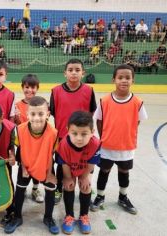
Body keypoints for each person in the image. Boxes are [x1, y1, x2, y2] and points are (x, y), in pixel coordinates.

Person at [90, 64, 148, 215]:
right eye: (120, 77)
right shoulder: (105, 100)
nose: (124, 81)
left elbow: (138, 121)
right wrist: (105, 136)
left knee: (124, 171)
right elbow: (99, 120)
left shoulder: (137, 102)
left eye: (127, 78)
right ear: (113, 80)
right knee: (104, 171)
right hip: (107, 146)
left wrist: (127, 133)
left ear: (133, 81)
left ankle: (123, 197)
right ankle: (100, 196)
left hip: (126, 146)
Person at [4, 96, 59, 235]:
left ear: (47, 114)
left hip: (45, 166)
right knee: (20, 190)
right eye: (33, 114)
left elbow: (51, 154)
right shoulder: (20, 130)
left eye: (41, 114)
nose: (36, 118)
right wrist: (22, 167)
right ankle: (17, 217)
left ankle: (48, 218)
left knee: (50, 190)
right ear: (27, 114)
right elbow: (18, 150)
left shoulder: (53, 133)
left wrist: (50, 173)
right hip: (26, 166)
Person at [50, 59, 97, 205]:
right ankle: (59, 189)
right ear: (65, 73)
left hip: (82, 138)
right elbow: (52, 112)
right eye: (70, 70)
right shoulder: (56, 91)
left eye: (77, 70)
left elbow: (91, 112)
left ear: (83, 73)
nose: (74, 72)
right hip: (63, 138)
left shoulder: (89, 91)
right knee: (61, 165)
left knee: (85, 163)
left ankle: (85, 185)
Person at [58, 111, 100, 234]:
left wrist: (84, 177)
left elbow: (92, 163)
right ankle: (69, 216)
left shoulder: (95, 144)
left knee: (86, 187)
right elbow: (64, 163)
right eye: (74, 133)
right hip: (69, 168)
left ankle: (84, 216)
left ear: (92, 132)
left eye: (84, 134)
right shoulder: (64, 145)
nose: (79, 138)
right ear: (67, 130)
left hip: (85, 168)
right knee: (69, 186)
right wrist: (67, 178)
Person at [15, 74, 44, 203]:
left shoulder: (42, 104)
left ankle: (35, 188)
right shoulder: (17, 105)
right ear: (22, 88)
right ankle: (22, 188)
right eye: (27, 87)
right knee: (24, 166)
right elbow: (16, 125)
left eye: (33, 87)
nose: (29, 90)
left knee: (37, 167)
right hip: (24, 144)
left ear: (37, 88)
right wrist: (15, 118)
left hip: (38, 144)